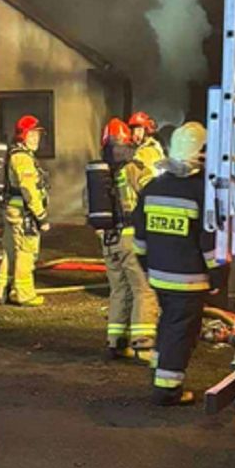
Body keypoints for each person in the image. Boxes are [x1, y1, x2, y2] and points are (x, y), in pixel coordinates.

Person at [132, 122, 224, 406]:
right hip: (189, 279)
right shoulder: (202, 193)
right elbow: (209, 245)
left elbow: (140, 241)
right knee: (180, 332)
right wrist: (219, 279)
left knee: (169, 324)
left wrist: (150, 269)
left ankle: (159, 370)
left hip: (159, 277)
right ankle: (167, 389)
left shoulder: (153, 188)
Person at [99, 118, 158, 362]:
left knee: (119, 290)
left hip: (108, 240)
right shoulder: (134, 168)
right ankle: (143, 344)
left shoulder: (99, 173)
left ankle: (116, 341)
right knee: (143, 289)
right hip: (131, 238)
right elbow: (152, 195)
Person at [0, 115, 51, 307]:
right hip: (24, 213)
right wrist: (41, 216)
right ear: (23, 136)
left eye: (37, 135)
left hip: (13, 210)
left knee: (10, 250)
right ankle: (23, 293)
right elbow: (29, 191)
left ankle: (2, 289)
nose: (36, 139)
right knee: (27, 252)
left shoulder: (16, 154)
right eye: (32, 135)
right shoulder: (23, 158)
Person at [127, 111, 165, 177]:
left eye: (139, 130)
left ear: (146, 132)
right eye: (133, 130)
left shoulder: (150, 149)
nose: (135, 134)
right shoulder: (142, 147)